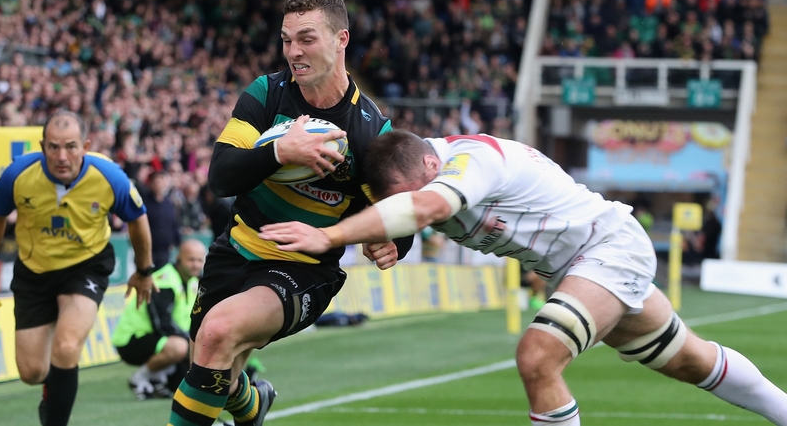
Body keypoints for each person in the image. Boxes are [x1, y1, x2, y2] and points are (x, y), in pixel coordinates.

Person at [260, 130, 787, 425]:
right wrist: (388, 237)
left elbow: (425, 207)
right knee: (691, 360)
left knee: (538, 356)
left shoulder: (471, 160)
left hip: (609, 248)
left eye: (409, 195)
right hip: (581, 268)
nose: (411, 206)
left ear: (430, 164)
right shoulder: (420, 178)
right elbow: (411, 211)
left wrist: (330, 236)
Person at [167, 0, 414, 426]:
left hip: (303, 269)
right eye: (286, 40)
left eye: (306, 38)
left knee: (217, 334)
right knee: (212, 367)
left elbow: (399, 214)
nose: (293, 51)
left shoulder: (371, 132)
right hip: (236, 248)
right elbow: (221, 177)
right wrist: (280, 152)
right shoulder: (267, 94)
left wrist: (395, 242)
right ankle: (252, 405)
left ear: (341, 39)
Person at [0, 110, 156, 426]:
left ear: (85, 146)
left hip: (85, 267)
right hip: (34, 271)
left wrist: (144, 270)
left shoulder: (110, 176)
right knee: (32, 371)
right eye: (53, 147)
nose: (62, 156)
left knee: (66, 347)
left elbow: (138, 219)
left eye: (70, 146)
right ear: (42, 147)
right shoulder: (17, 175)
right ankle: (52, 392)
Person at [112, 239, 207, 400]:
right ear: (178, 258)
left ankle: (158, 379)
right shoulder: (164, 281)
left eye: (199, 260)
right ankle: (139, 378)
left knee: (187, 381)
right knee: (180, 347)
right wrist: (191, 342)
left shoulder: (193, 282)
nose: (195, 265)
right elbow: (161, 323)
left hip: (160, 338)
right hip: (132, 339)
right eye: (191, 260)